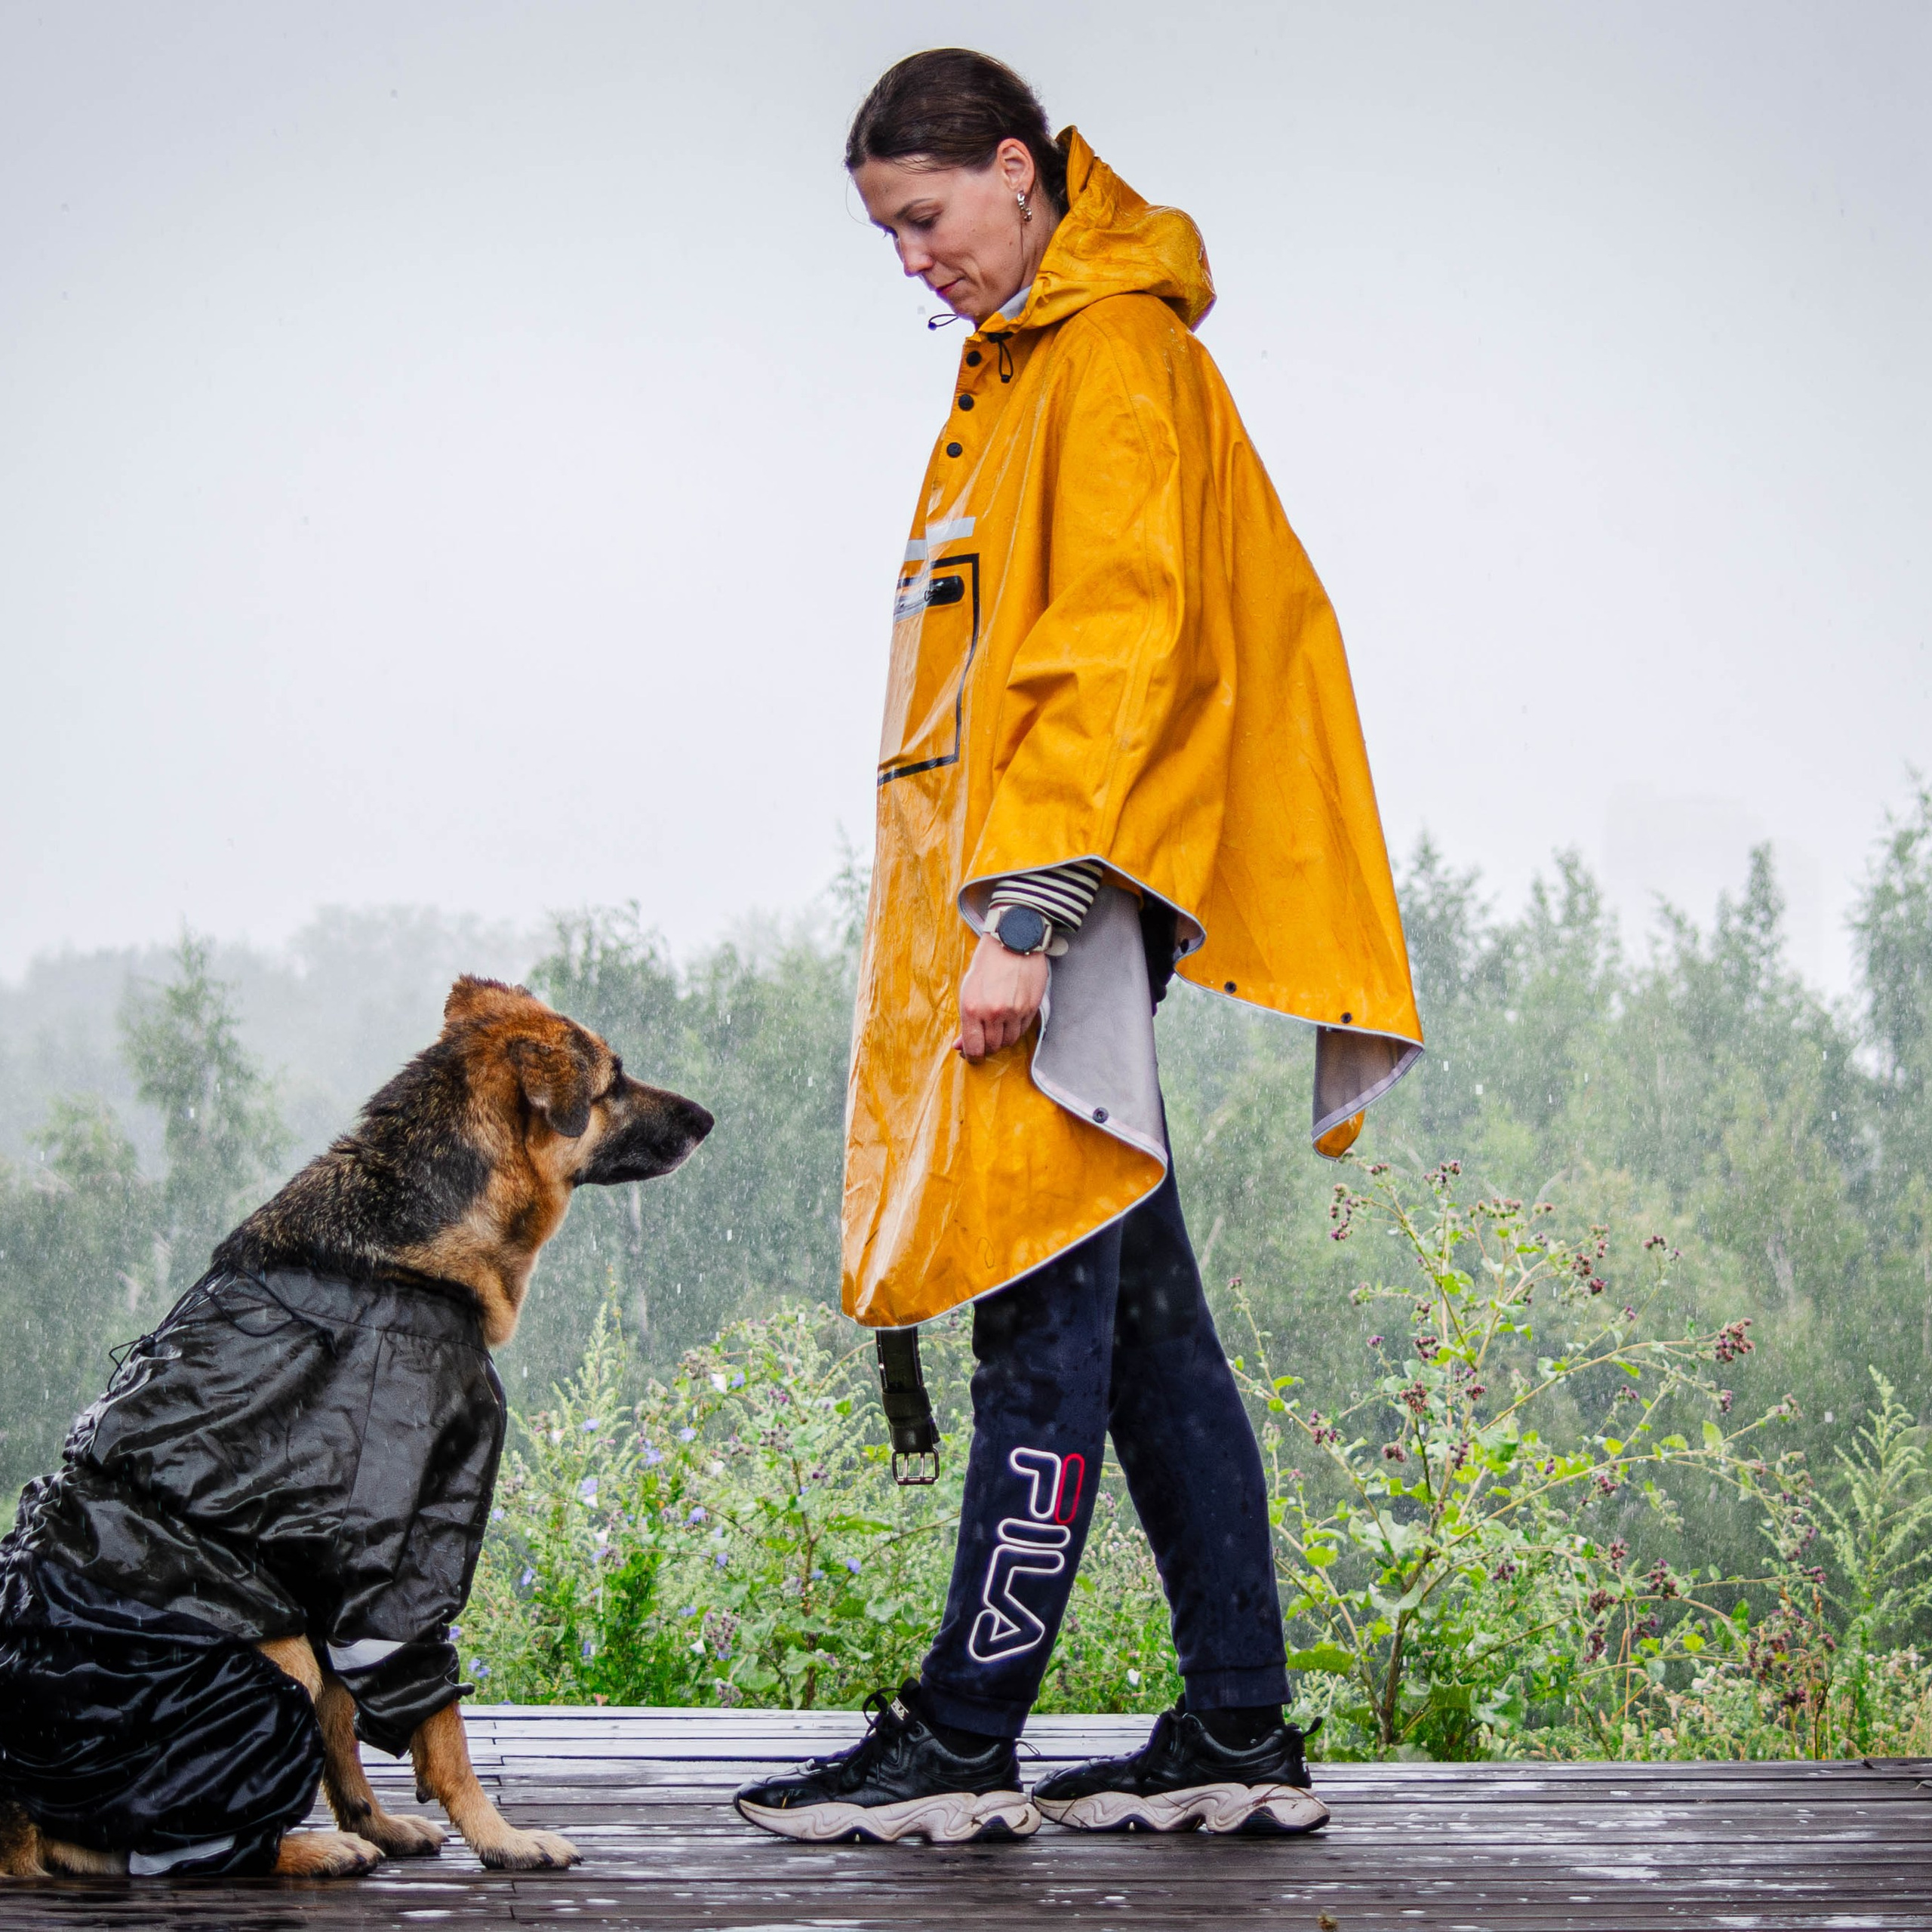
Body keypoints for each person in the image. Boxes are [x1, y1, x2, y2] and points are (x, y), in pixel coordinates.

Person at [734, 48, 1421, 1847]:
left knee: (1039, 1320)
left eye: (924, 217)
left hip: (1052, 908)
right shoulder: (1025, 368)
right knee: (1147, 1342)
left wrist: (1023, 919)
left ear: (1018, 173)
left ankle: (963, 1737)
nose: (911, 260)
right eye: (885, 233)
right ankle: (1239, 1725)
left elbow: (1113, 644)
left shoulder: (1107, 354)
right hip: (1032, 904)